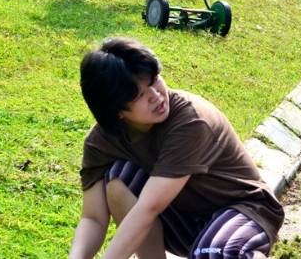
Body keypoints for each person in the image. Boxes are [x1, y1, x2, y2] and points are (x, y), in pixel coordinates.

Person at [69, 37, 284, 259]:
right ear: (116, 111)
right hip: (187, 221)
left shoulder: (190, 120)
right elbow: (92, 218)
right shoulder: (101, 141)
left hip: (245, 212)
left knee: (215, 253)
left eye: (154, 80)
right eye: (139, 95)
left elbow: (148, 208)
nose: (156, 96)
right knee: (118, 179)